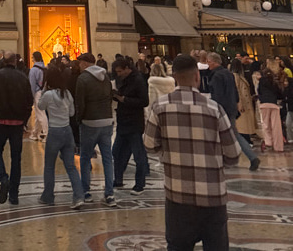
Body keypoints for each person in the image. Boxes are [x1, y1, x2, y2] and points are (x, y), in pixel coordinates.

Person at [144, 53, 240, 251]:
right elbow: (233, 153)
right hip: (212, 194)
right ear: (197, 76)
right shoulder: (214, 108)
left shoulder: (160, 107)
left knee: (178, 246)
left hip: (178, 195)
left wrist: (169, 153)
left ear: (174, 77)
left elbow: (149, 145)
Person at [0, 51, 33, 205]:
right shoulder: (23, 77)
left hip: (0, 122)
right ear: (15, 61)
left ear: (3, 61)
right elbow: (29, 102)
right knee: (16, 158)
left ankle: (3, 178)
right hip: (17, 124)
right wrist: (24, 120)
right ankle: (14, 195)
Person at [37, 64, 83, 208]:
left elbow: (40, 106)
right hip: (67, 131)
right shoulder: (67, 93)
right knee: (71, 166)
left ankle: (48, 196)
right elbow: (72, 113)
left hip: (55, 132)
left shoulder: (48, 95)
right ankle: (79, 196)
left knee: (49, 166)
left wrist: (44, 90)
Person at [205, 52, 260, 171]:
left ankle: (251, 157)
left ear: (214, 62)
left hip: (222, 110)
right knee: (232, 134)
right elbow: (235, 92)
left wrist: (215, 109)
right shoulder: (228, 73)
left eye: (208, 62)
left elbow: (218, 95)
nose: (207, 64)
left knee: (231, 134)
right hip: (231, 108)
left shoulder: (217, 76)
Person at [75, 53, 115, 206]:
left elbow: (80, 102)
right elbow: (109, 97)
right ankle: (109, 194)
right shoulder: (106, 77)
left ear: (85, 63)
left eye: (80, 63)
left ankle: (86, 191)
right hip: (106, 121)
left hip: (90, 122)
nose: (79, 66)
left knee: (85, 157)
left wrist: (79, 119)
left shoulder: (83, 79)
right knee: (107, 158)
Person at [111, 57, 149, 194]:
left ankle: (140, 184)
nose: (118, 74)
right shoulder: (124, 80)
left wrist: (124, 99)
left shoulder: (138, 80)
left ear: (127, 68)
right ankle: (118, 180)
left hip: (134, 123)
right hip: (123, 122)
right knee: (117, 152)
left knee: (138, 155)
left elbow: (144, 101)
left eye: (120, 71)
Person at [258, 60, 284, 153]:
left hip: (264, 103)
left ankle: (268, 142)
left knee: (266, 124)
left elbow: (259, 91)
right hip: (273, 103)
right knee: (276, 126)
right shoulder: (275, 80)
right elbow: (279, 93)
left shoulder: (261, 80)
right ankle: (278, 146)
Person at [230, 58, 257, 145]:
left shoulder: (239, 76)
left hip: (246, 102)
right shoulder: (235, 76)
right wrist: (239, 103)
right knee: (243, 124)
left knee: (246, 123)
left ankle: (247, 138)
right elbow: (237, 89)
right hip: (243, 103)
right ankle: (246, 140)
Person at [29, 52, 48, 141]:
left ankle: (46, 133)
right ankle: (35, 133)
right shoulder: (44, 68)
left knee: (40, 114)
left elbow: (32, 85)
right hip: (44, 91)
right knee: (38, 114)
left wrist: (31, 96)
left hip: (37, 92)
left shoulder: (33, 70)